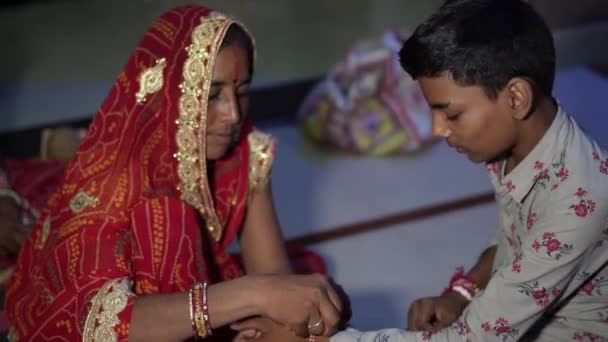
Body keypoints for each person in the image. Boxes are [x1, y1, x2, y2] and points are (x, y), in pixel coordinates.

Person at [232, 0, 608, 341]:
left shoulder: (578, 201)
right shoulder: (525, 141)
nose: (437, 130)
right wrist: (462, 292)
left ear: (515, 97)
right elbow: (516, 235)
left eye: (452, 113)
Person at [5, 6, 343, 341]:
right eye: (212, 96)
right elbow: (99, 322)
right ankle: (64, 144)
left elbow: (275, 281)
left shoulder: (243, 150)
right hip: (115, 314)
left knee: (316, 311)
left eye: (241, 94)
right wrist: (252, 295)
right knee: (165, 219)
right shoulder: (111, 178)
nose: (232, 114)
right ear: (167, 90)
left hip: (197, 296)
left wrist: (277, 310)